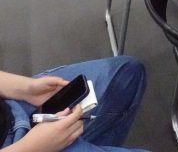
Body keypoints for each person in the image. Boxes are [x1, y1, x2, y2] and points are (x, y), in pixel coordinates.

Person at [0, 56, 147, 151]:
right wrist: (31, 148)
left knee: (128, 73)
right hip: (25, 147)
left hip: (11, 107)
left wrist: (26, 88)